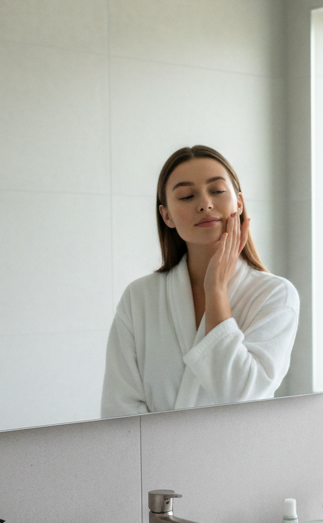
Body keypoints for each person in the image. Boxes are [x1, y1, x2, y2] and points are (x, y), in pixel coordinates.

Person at [101, 145, 299, 416]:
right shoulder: (139, 297)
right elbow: (118, 409)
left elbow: (243, 396)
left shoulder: (275, 294)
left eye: (217, 191)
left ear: (239, 203)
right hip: (152, 447)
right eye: (186, 196)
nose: (205, 203)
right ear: (167, 216)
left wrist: (215, 290)